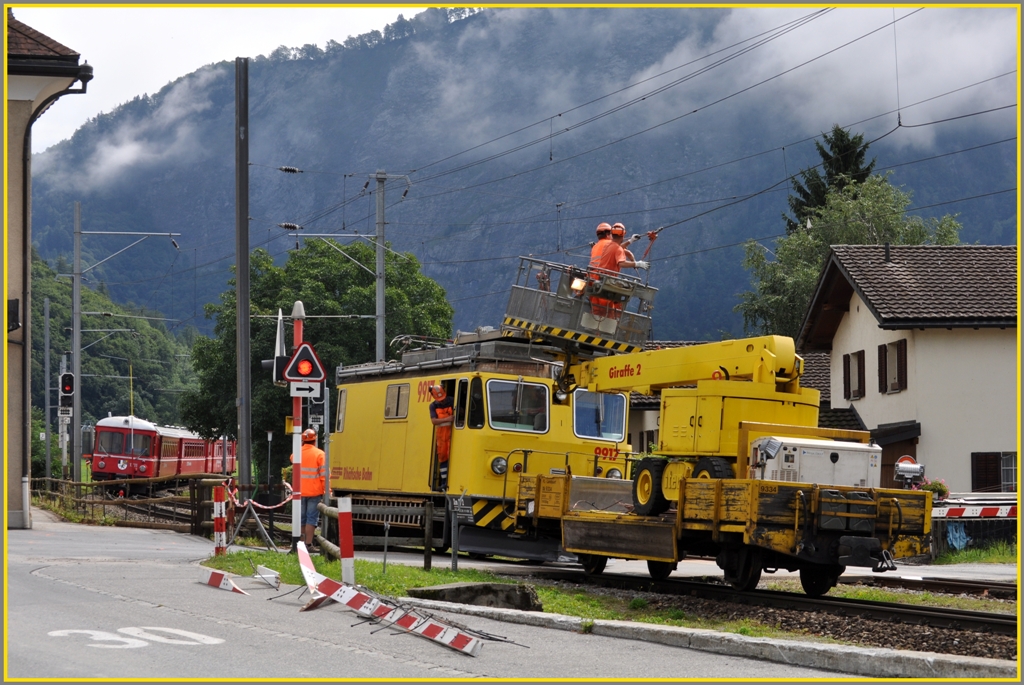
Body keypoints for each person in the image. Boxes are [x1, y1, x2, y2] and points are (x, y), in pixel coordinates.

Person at [587, 222, 648, 316]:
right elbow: (622, 261)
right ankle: (611, 324)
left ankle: (592, 325)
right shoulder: (612, 246)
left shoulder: (603, 246)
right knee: (618, 299)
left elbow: (617, 248)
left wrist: (631, 241)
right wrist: (637, 263)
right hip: (606, 280)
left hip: (594, 278)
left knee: (597, 307)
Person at [296, 428, 325, 550]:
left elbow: (292, 458)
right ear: (315, 439)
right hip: (314, 492)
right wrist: (327, 492)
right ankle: (308, 544)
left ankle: (301, 544)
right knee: (311, 518)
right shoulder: (320, 454)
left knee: (301, 518)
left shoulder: (297, 453)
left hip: (299, 492)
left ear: (303, 440)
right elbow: (324, 476)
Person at [428, 384, 454, 490]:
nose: (442, 401)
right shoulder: (433, 406)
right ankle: (444, 483)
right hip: (441, 436)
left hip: (453, 434)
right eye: (439, 399)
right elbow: (434, 421)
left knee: (452, 456)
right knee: (443, 457)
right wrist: (448, 419)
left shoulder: (452, 401)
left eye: (442, 398)